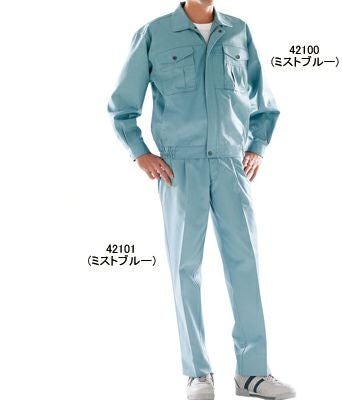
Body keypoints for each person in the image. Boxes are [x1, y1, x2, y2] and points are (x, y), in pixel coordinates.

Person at [107, 1, 296, 399]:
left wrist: (257, 146)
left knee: (245, 265)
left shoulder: (239, 31)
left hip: (230, 165)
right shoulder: (154, 33)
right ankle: (198, 373)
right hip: (179, 167)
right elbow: (122, 106)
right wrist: (140, 153)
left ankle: (252, 373)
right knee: (185, 268)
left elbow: (264, 101)